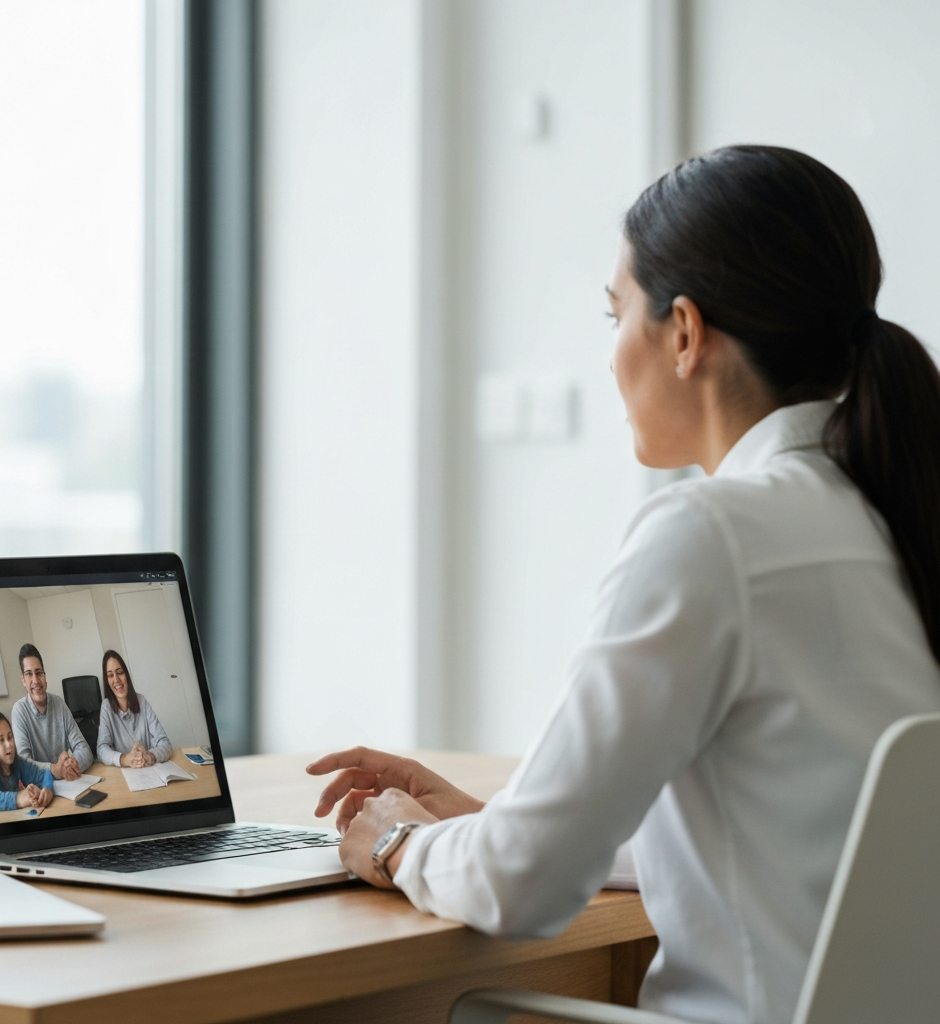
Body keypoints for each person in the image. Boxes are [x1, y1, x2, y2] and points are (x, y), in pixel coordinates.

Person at [307, 146, 940, 1024]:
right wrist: (495, 821)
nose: (610, 359)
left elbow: (518, 892)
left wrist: (400, 842)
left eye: (615, 316)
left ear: (683, 333)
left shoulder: (710, 535)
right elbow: (787, 836)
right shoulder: (889, 516)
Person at [11, 643, 93, 781]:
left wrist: (73, 764)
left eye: (39, 673)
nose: (36, 680)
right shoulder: (19, 711)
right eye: (29, 674)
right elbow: (24, 766)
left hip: (67, 785)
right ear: (23, 680)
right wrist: (55, 770)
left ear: (45, 675)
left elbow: (84, 749)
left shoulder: (59, 704)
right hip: (41, 790)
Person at [96, 650, 172, 768]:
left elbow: (165, 743)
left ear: (126, 675)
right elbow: (101, 749)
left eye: (120, 672)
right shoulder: (106, 707)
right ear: (107, 681)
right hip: (124, 777)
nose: (116, 680)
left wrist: (150, 756)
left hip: (149, 771)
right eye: (110, 675)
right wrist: (125, 759)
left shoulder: (141, 701)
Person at [0, 709, 53, 812]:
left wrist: (48, 789)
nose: (9, 744)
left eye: (10, 737)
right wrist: (19, 798)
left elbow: (45, 774)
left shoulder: (17, 762)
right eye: (1, 740)